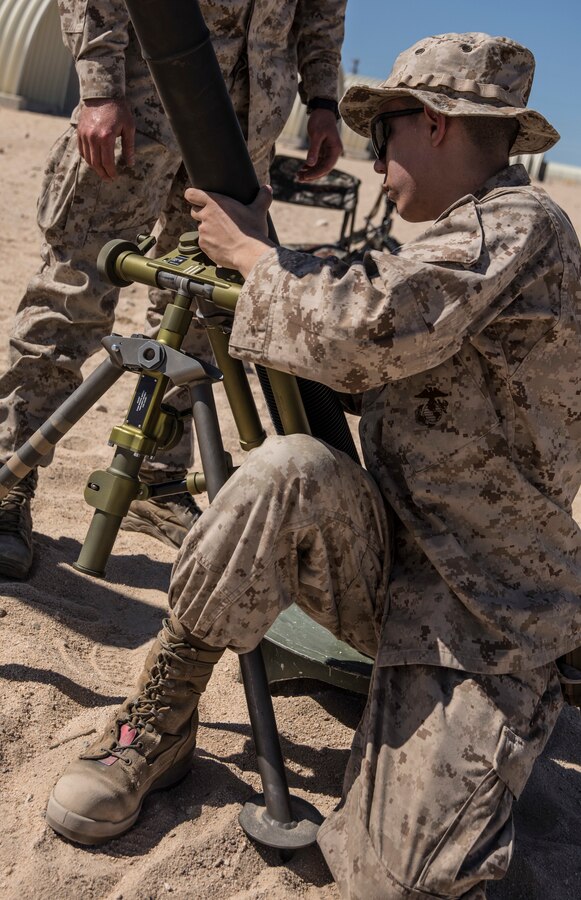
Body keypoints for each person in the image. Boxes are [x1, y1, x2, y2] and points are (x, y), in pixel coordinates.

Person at [46, 32, 581, 898]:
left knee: (406, 881)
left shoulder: (519, 227)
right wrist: (268, 252)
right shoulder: (449, 239)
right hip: (395, 560)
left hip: (484, 610)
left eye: (385, 137)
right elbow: (365, 309)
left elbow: (367, 326)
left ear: (437, 125)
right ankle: (160, 719)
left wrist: (255, 259)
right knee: (285, 469)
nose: (376, 164)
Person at [0, 0, 345, 579]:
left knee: (203, 303)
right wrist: (100, 87)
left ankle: (155, 481)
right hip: (143, 96)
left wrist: (323, 100)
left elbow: (322, 9)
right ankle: (9, 478)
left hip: (244, 120)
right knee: (76, 291)